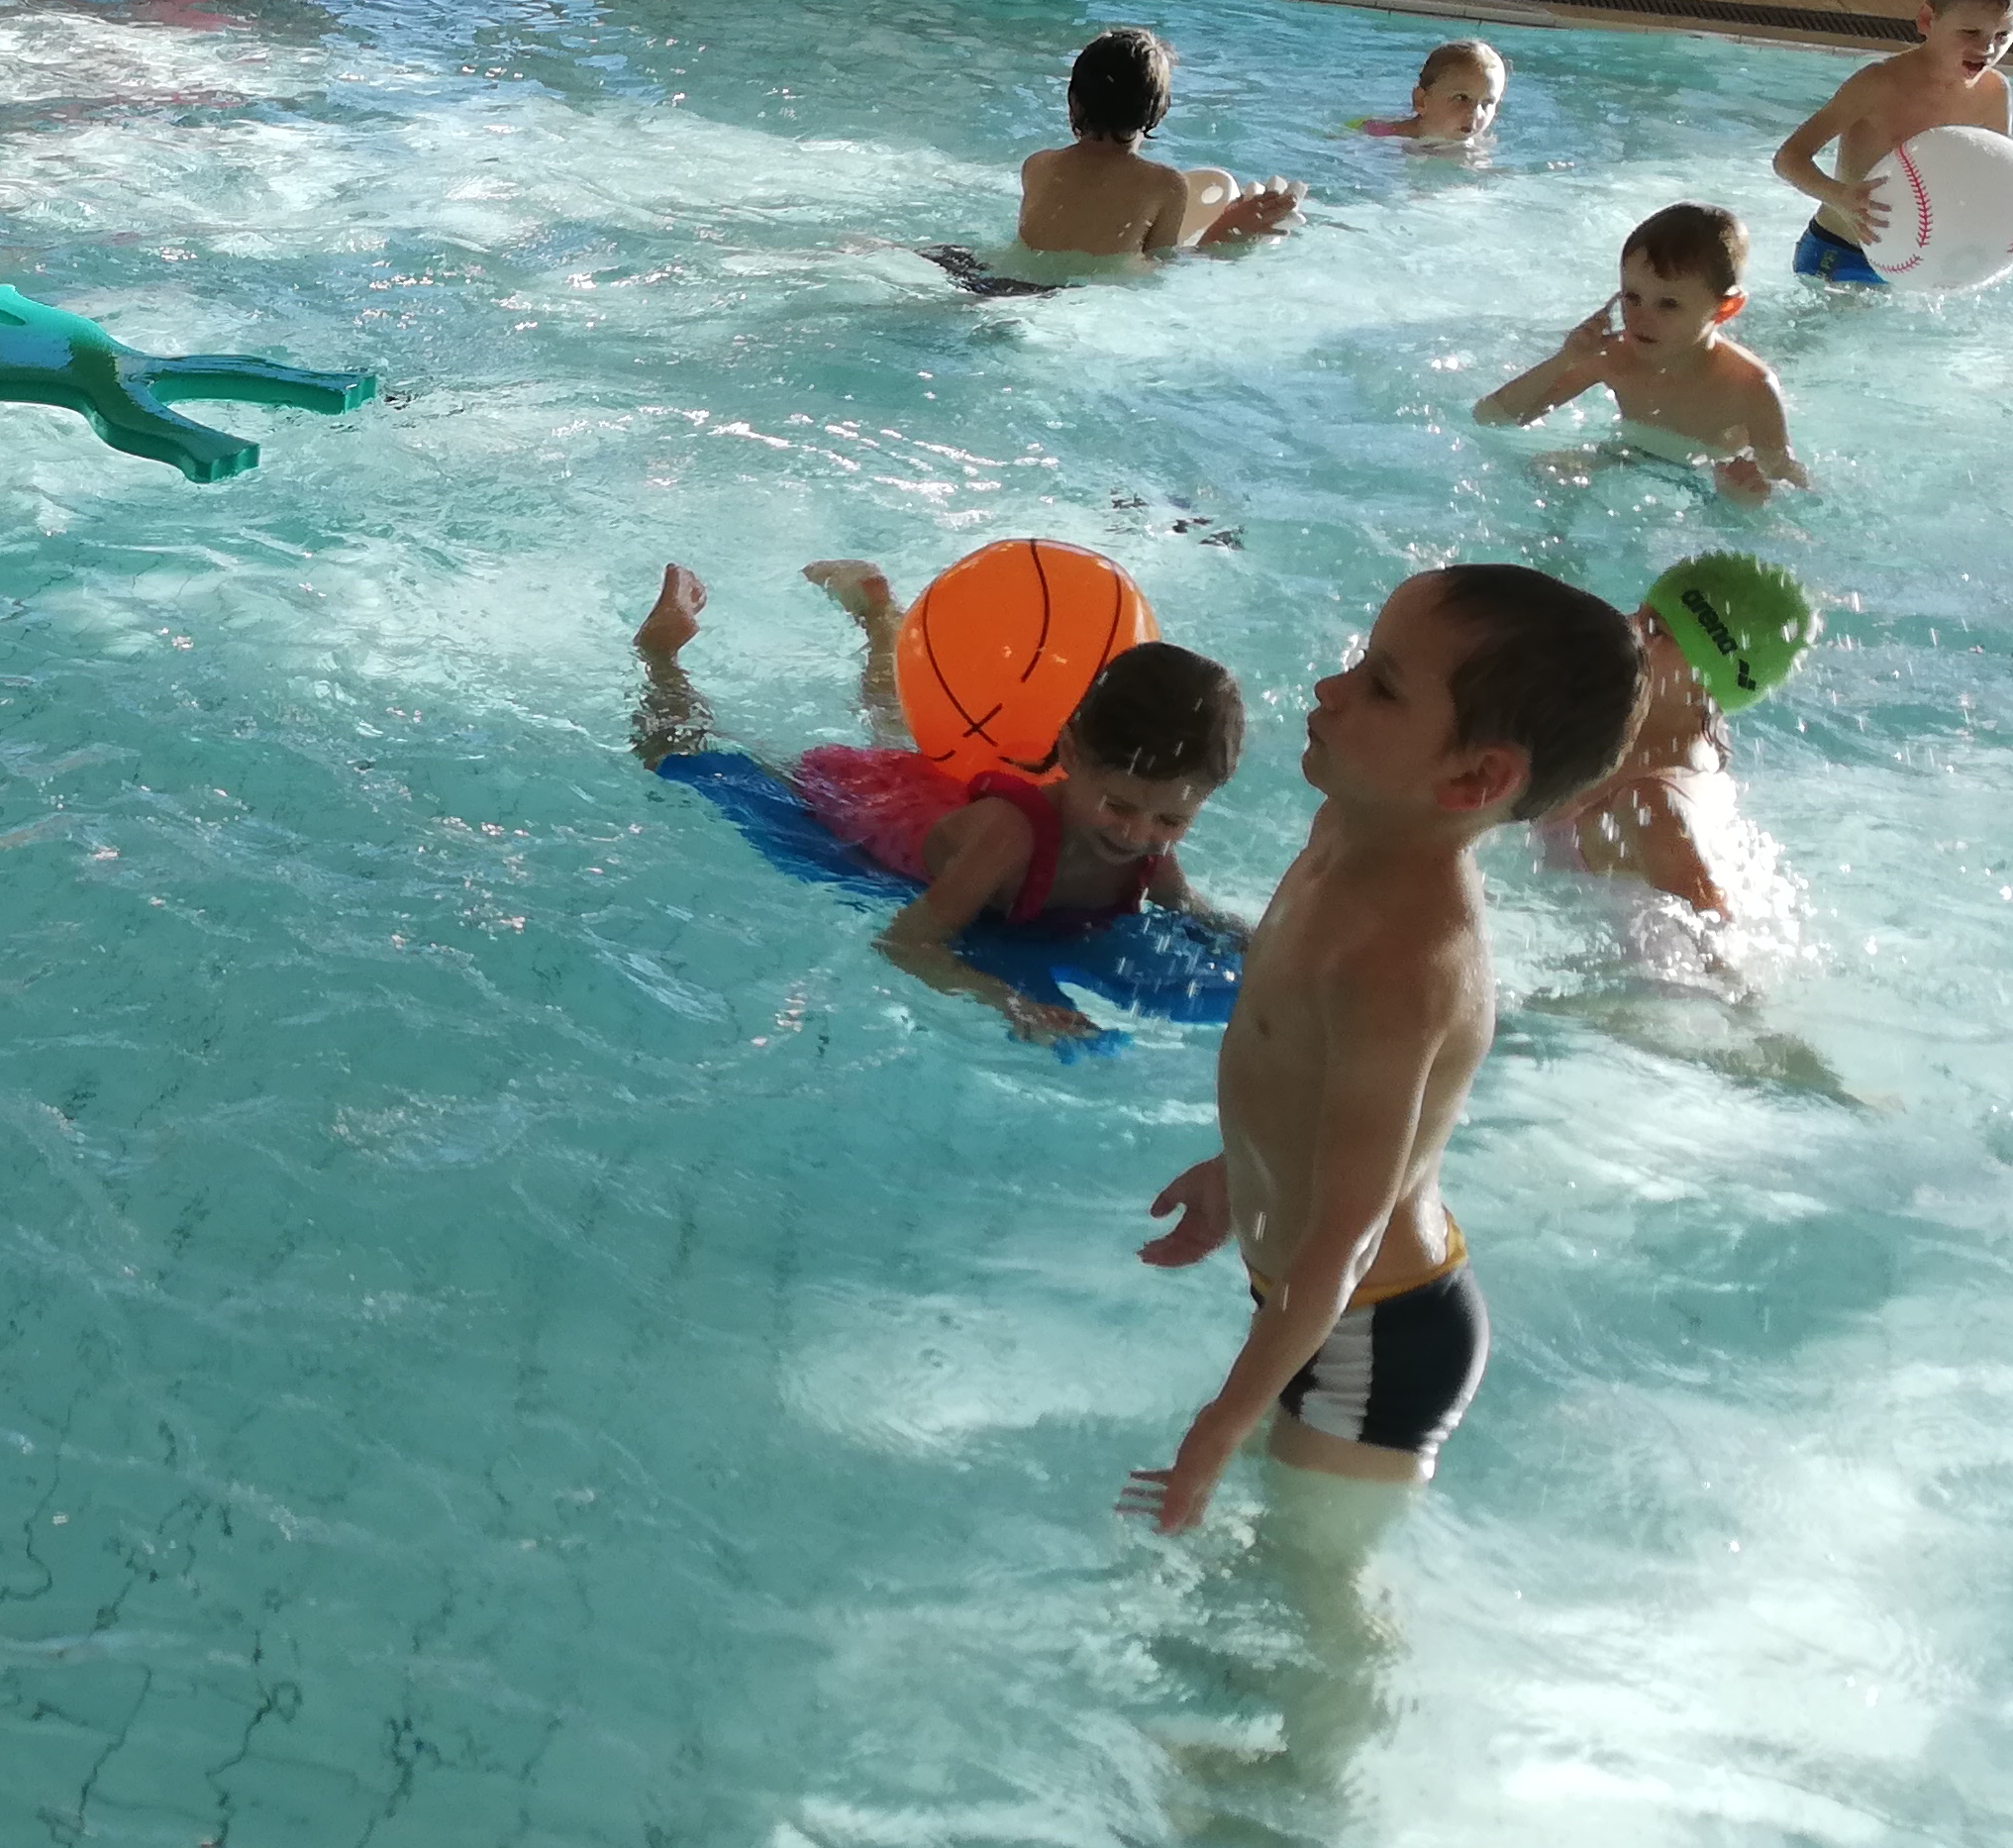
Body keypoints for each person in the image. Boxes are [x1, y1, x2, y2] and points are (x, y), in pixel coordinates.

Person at [1122, 565, 1644, 1535]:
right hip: (1322, 1304)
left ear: (1475, 779)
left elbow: (1347, 1241)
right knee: (1280, 1565)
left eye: (1382, 686)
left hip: (1373, 1332)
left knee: (1313, 1595)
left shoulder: (1404, 963)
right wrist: (1242, 1170)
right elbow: (1300, 1062)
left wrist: (1218, 1427)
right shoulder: (1343, 830)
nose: (1332, 688)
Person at [631, 558, 1250, 1047]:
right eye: (1121, 807)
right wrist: (1008, 1001)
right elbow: (906, 942)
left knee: (898, 731)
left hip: (943, 797)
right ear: (1070, 754)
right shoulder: (1010, 841)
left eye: (1172, 818)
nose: (1138, 833)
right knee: (698, 758)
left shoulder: (1149, 850)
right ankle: (661, 656)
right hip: (873, 808)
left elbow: (1195, 913)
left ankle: (878, 616)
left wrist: (1264, 944)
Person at [1537, 552, 1812, 922]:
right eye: (1639, 613)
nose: (1628, 627)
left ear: (1706, 679)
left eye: (1656, 630)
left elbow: (1714, 930)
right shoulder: (1675, 729)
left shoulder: (1651, 802)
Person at [1469, 201, 1803, 501]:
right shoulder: (1613, 356)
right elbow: (1491, 417)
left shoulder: (1750, 386)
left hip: (1705, 482)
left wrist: (1747, 495)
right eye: (1632, 297)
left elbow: (1789, 480)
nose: (1640, 318)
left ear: (1726, 308)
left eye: (1668, 304)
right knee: (1541, 471)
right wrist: (1565, 359)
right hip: (1627, 458)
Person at [1768, 0, 2013, 287]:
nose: (1987, 48)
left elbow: (1997, 183)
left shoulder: (1994, 94)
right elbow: (1789, 158)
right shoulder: (1879, 85)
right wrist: (1840, 198)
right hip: (1841, 253)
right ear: (1927, 20)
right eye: (1970, 32)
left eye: (2003, 35)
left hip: (1925, 264)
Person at [1010, 29, 1301, 259]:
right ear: (1158, 112)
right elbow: (1160, 268)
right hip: (1077, 297)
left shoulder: (1037, 165)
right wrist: (1226, 230)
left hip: (1003, 285)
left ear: (1074, 101)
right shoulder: (1165, 186)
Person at [1361, 38, 1506, 147]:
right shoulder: (1383, 134)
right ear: (1421, 101)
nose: (1476, 114)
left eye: (1487, 103)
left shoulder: (1477, 146)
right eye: (1462, 98)